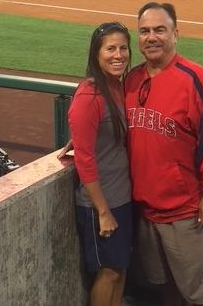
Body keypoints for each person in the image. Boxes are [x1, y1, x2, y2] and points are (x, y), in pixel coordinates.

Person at [125, 2, 203, 306]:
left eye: (160, 29)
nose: (152, 37)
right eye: (145, 31)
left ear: (176, 34)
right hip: (146, 209)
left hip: (188, 211)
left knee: (200, 295)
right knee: (164, 287)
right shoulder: (132, 79)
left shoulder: (196, 79)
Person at [59, 22, 133, 306]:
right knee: (108, 271)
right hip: (100, 202)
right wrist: (102, 210)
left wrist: (76, 138)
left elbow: (92, 137)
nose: (118, 55)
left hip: (122, 196)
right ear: (96, 53)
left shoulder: (117, 87)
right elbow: (86, 160)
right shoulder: (90, 94)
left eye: (123, 48)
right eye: (110, 49)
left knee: (120, 267)